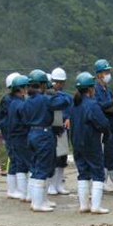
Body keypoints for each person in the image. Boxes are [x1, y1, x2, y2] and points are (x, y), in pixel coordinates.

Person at [23, 69, 72, 212]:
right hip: (44, 134)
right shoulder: (45, 99)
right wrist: (54, 93)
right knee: (43, 169)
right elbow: (65, 102)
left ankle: (38, 200)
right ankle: (38, 204)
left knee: (36, 168)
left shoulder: (27, 101)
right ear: (43, 84)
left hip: (32, 133)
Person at [69, 72, 111, 214]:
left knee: (83, 173)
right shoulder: (92, 105)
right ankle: (96, 206)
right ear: (90, 89)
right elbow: (103, 124)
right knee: (98, 173)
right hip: (91, 143)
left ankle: (84, 205)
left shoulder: (74, 105)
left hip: (76, 143)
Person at [93, 59, 113, 191]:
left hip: (110, 124)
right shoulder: (96, 89)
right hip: (101, 127)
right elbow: (98, 106)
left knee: (111, 154)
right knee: (103, 153)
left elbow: (111, 108)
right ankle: (102, 181)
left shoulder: (107, 89)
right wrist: (111, 102)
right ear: (99, 74)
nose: (108, 74)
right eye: (106, 72)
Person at [7, 74, 32, 202]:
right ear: (21, 89)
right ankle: (29, 194)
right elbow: (26, 121)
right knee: (28, 164)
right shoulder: (21, 104)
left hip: (14, 137)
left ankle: (23, 194)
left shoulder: (12, 103)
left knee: (21, 165)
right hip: (22, 137)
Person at [48, 68, 72, 195]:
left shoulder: (66, 97)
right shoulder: (48, 96)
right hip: (52, 130)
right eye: (57, 82)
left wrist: (68, 118)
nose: (59, 84)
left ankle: (59, 184)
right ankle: (51, 185)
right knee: (52, 158)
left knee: (62, 158)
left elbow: (70, 111)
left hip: (63, 130)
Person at [0, 73, 22, 199]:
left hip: (12, 134)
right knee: (14, 160)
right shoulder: (9, 100)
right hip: (12, 135)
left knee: (17, 160)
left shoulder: (10, 99)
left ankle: (16, 188)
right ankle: (12, 190)